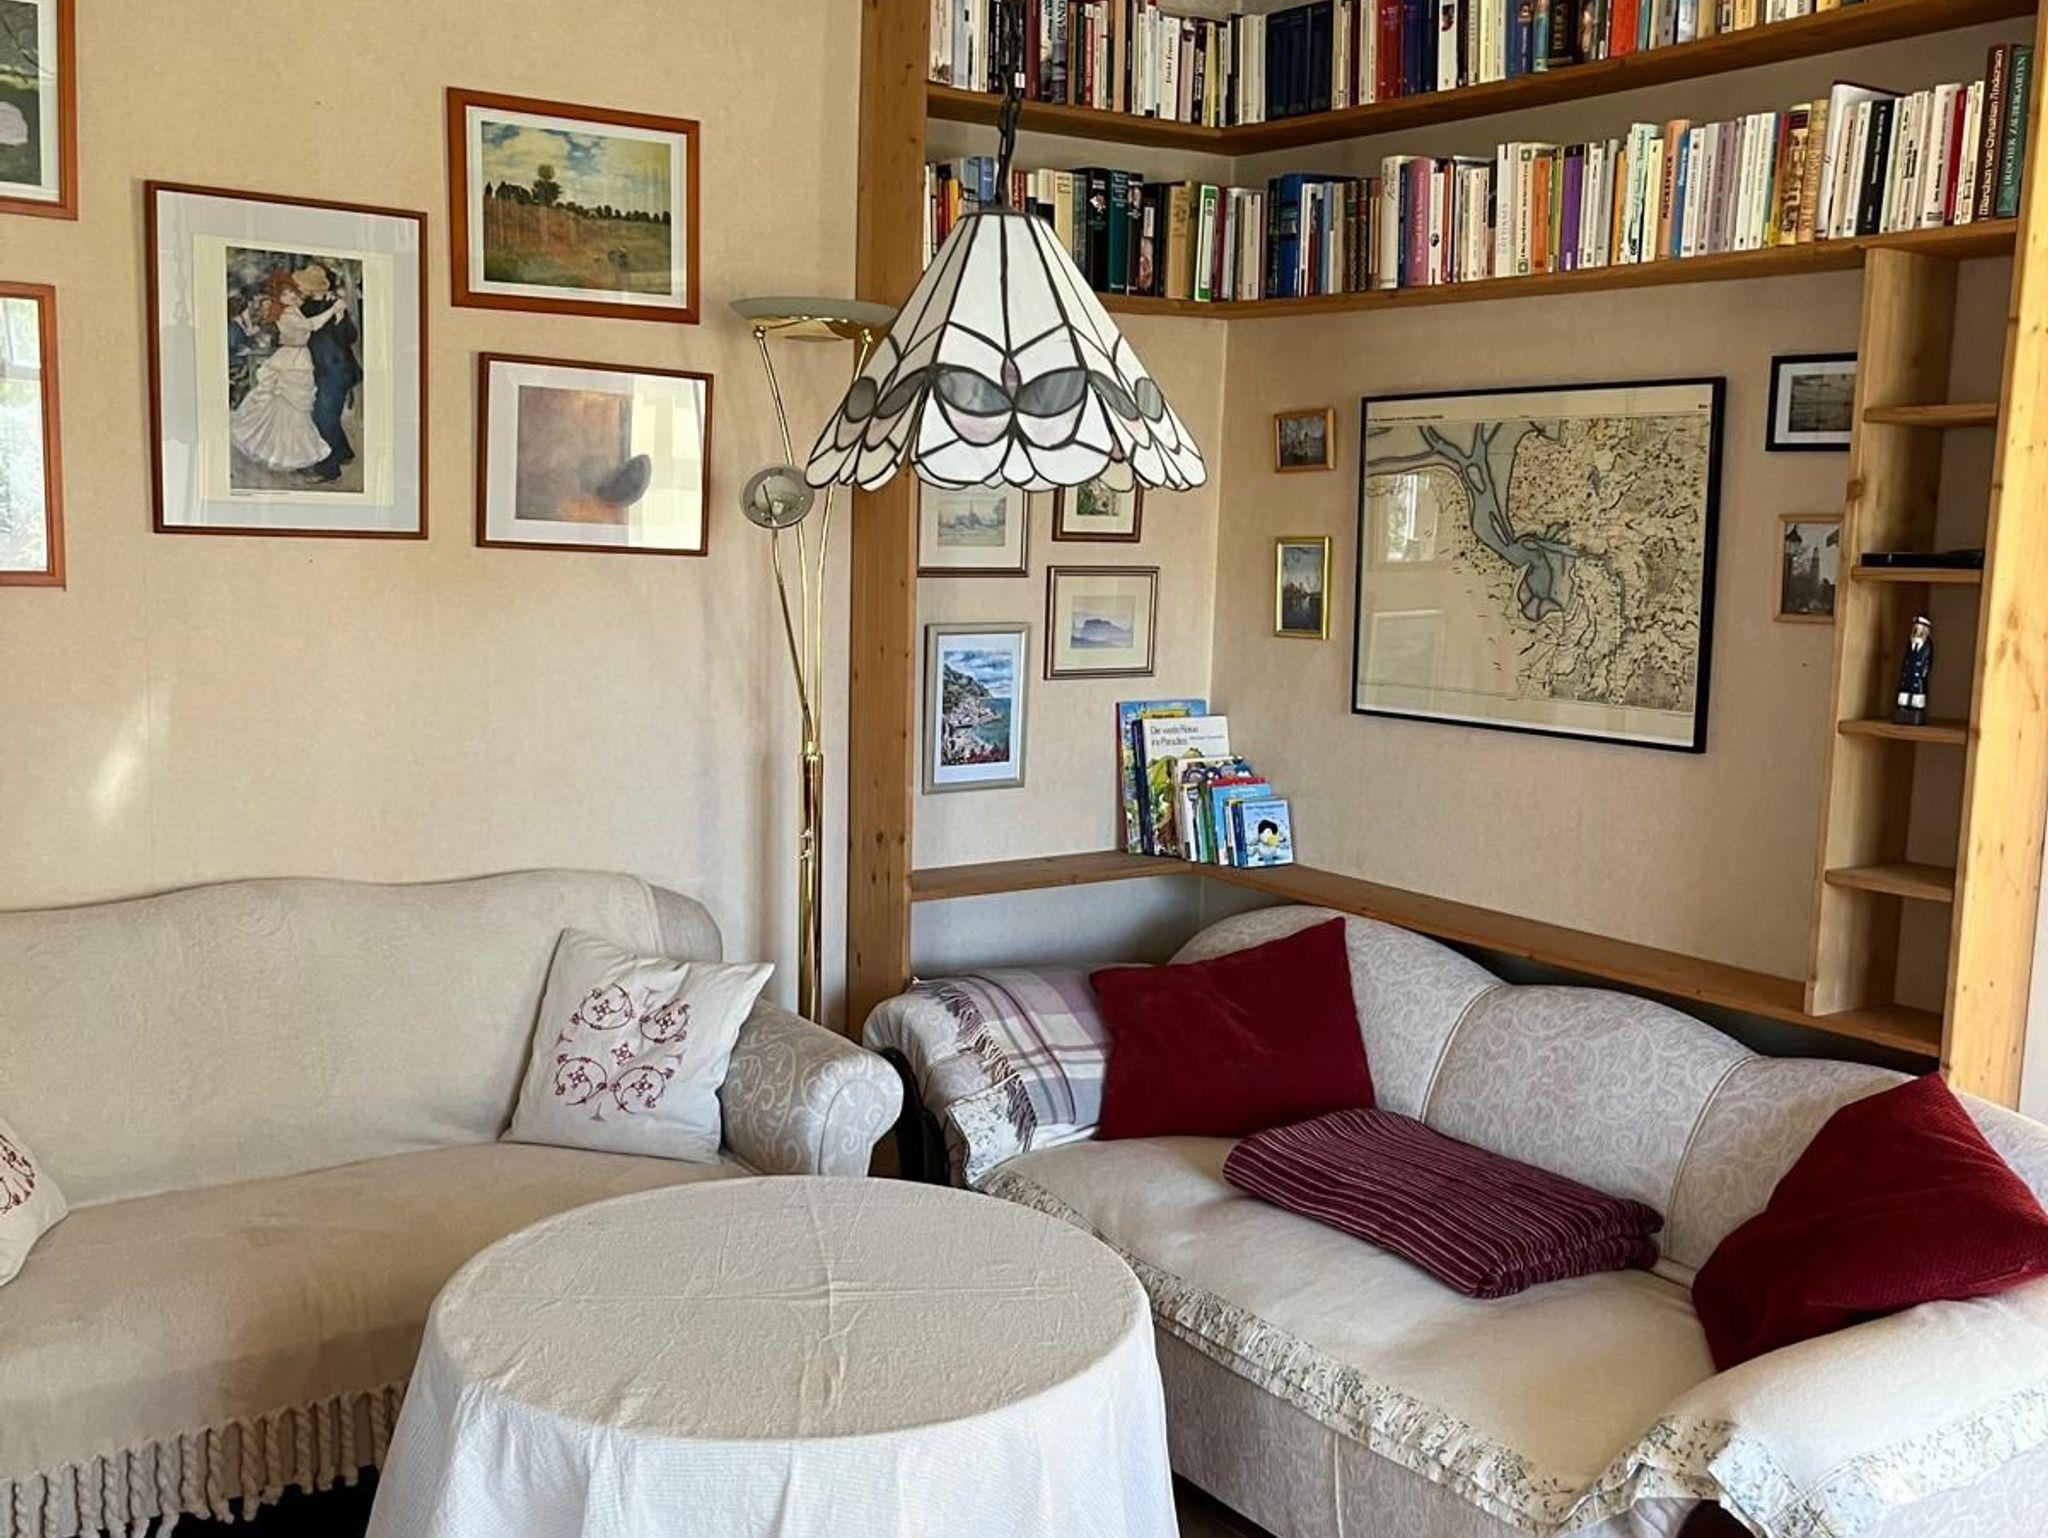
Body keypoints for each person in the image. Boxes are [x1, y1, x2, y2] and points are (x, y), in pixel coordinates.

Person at [228, 271, 349, 475]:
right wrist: (333, 309)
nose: (291, 296)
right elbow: (311, 325)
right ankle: (288, 453)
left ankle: (296, 452)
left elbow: (311, 301)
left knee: (298, 408)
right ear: (278, 298)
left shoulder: (293, 308)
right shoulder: (284, 314)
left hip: (300, 358)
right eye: (285, 294)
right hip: (290, 360)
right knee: (289, 407)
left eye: (292, 292)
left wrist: (330, 298)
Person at [294, 261, 361, 484]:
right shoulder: (305, 308)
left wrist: (341, 319)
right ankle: (343, 452)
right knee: (323, 415)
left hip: (336, 371)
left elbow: (351, 337)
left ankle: (328, 469)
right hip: (317, 369)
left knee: (324, 418)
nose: (300, 289)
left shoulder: (336, 305)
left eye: (304, 285)